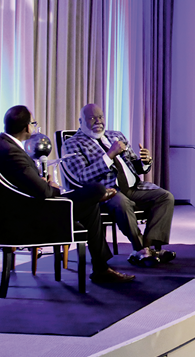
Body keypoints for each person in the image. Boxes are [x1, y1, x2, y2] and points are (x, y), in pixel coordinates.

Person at [0, 105, 134, 283]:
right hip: (33, 213)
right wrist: (53, 186)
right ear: (27, 127)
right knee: (95, 189)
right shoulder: (12, 151)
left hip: (28, 205)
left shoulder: (0, 145)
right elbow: (44, 192)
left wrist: (40, 182)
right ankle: (101, 266)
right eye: (33, 123)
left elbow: (20, 183)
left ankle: (101, 268)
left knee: (91, 206)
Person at [62, 103, 175, 267]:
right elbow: (81, 177)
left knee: (165, 197)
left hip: (133, 187)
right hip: (106, 192)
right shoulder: (73, 144)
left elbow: (133, 165)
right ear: (80, 121)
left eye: (100, 117)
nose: (98, 121)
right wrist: (109, 155)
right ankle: (141, 250)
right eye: (92, 118)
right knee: (122, 202)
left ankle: (150, 248)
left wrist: (144, 162)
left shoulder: (116, 136)